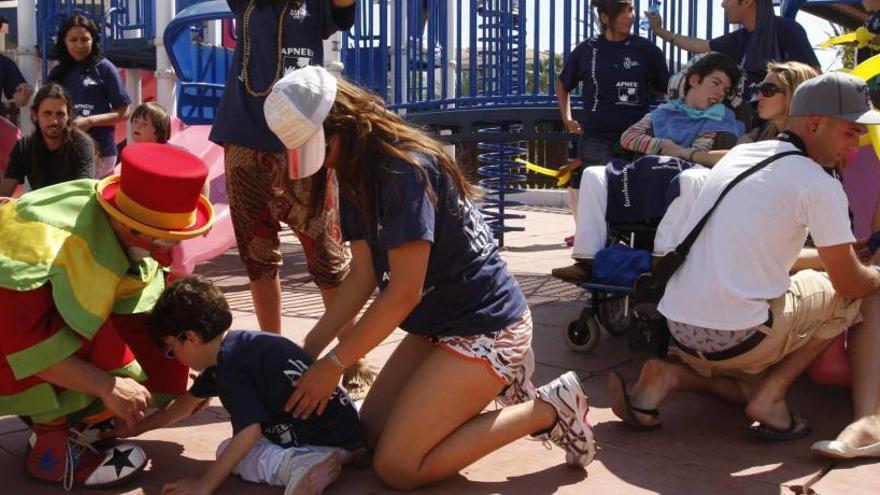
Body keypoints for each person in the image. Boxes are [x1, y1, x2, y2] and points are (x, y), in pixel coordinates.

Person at [268, 66, 595, 490]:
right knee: (367, 437)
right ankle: (488, 380)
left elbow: (402, 294)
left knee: (398, 467)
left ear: (343, 125)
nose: (322, 163)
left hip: (488, 327)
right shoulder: (353, 169)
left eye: (321, 148)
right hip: (437, 325)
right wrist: (307, 352)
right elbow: (363, 276)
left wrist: (335, 364)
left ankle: (549, 408)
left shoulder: (404, 171)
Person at [607, 71, 880, 441]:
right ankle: (842, 412)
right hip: (741, 339)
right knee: (860, 293)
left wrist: (838, 254)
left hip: (680, 332)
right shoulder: (818, 183)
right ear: (816, 123)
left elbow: (760, 252)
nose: (858, 144)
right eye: (851, 132)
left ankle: (668, 375)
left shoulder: (742, 155)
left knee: (745, 386)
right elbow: (850, 282)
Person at [0, 143, 214, 489]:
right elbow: (24, 347)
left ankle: (77, 425)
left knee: (158, 360)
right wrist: (106, 385)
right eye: (164, 242)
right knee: (80, 346)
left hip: (23, 335)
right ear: (132, 227)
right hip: (8, 339)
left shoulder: (117, 216)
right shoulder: (43, 249)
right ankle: (51, 455)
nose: (164, 256)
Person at [209, 0, 373, 396]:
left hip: (300, 141)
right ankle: (274, 356)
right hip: (243, 140)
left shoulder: (314, 6)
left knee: (327, 256)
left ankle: (352, 358)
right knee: (258, 257)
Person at [118, 275, 361, 495]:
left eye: (172, 350)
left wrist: (204, 485)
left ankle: (296, 465)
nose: (176, 358)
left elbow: (249, 431)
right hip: (348, 431)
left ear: (190, 338)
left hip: (319, 443)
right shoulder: (242, 347)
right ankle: (325, 458)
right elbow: (182, 407)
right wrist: (135, 428)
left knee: (229, 451)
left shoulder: (230, 369)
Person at [553, 52, 744, 281]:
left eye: (725, 90)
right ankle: (587, 260)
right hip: (650, 176)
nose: (719, 93)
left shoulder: (721, 119)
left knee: (692, 178)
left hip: (686, 178)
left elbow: (699, 152)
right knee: (593, 174)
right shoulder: (665, 111)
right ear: (694, 80)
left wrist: (672, 151)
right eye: (716, 83)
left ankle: (661, 256)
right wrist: (663, 145)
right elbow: (628, 137)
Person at [653, 60, 820, 255]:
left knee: (694, 180)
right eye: (759, 88)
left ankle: (664, 260)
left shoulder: (806, 146)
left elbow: (739, 158)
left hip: (778, 237)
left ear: (795, 94)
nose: (758, 96)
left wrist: (685, 152)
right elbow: (739, 156)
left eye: (768, 89)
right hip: (750, 226)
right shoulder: (764, 132)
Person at [556, 0, 668, 220]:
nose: (631, 16)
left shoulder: (647, 50)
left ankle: (632, 250)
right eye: (624, 11)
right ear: (605, 17)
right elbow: (563, 83)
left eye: (632, 10)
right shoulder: (588, 49)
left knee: (636, 199)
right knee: (600, 199)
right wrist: (566, 118)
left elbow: (663, 86)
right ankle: (600, 251)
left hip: (638, 139)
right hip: (597, 139)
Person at [647, 0, 819, 106]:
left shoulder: (787, 30)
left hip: (778, 127)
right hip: (748, 123)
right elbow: (700, 45)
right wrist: (660, 31)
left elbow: (813, 77)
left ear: (747, 2)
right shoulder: (739, 38)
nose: (722, 4)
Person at [48, 14, 131, 178]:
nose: (79, 45)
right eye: (73, 40)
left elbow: (124, 112)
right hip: (64, 151)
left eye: (85, 39)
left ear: (93, 40)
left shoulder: (105, 68)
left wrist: (91, 121)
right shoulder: (57, 73)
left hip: (101, 151)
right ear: (64, 41)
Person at [0, 83, 96, 197]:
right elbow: (4, 193)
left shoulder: (82, 145)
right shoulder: (25, 146)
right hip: (38, 211)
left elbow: (83, 193)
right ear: (35, 114)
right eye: (47, 113)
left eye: (60, 114)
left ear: (68, 115)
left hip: (73, 210)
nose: (54, 121)